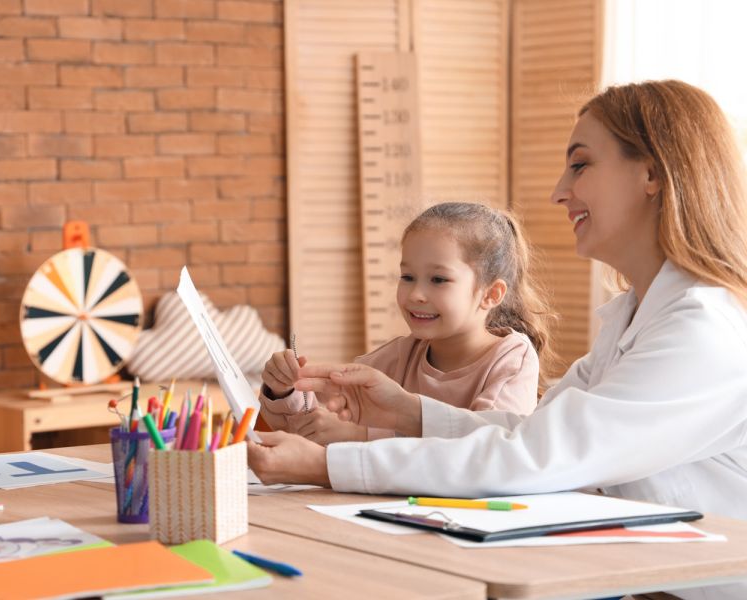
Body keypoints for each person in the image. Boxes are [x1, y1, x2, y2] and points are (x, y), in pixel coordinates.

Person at [249, 80, 747, 600]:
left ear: (651, 173)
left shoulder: (702, 331)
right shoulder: (635, 316)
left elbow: (532, 456)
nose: (559, 191)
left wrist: (326, 465)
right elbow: (532, 431)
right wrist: (409, 411)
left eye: (580, 165)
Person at [259, 202, 556, 444]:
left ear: (491, 294)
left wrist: (361, 436)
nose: (415, 294)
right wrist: (284, 391)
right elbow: (312, 427)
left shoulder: (511, 359)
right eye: (407, 277)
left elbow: (483, 448)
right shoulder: (398, 356)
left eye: (438, 279)